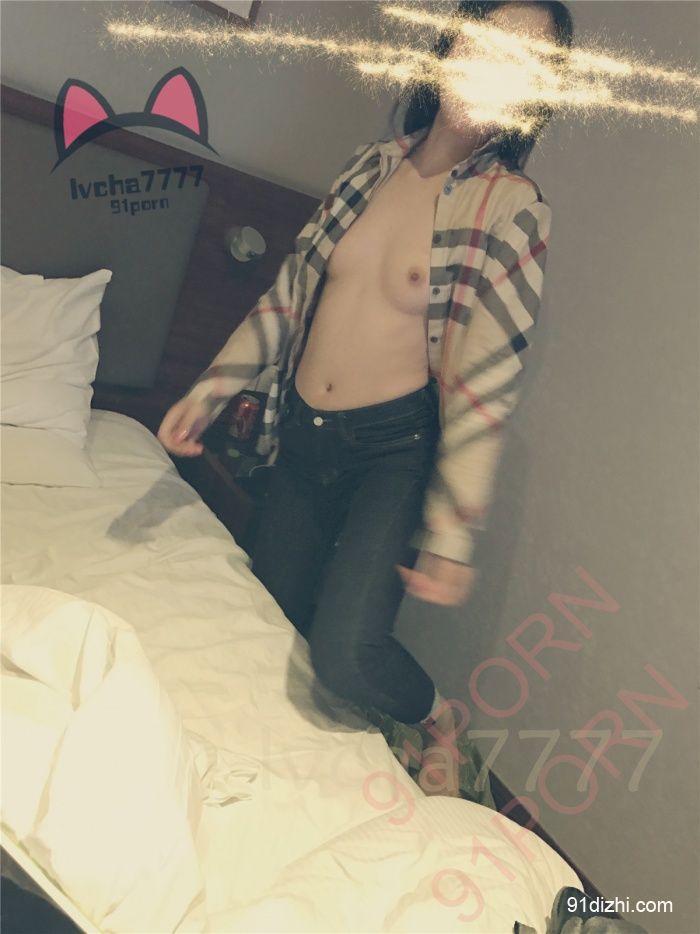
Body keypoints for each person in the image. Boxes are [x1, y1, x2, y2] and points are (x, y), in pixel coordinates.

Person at [158, 0, 574, 797]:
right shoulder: (369, 168)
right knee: (268, 623)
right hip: (303, 437)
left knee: (346, 654)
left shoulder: (512, 209)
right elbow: (290, 295)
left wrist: (451, 534)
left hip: (391, 452)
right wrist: (212, 388)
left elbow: (486, 382)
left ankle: (440, 723)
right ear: (452, 44)